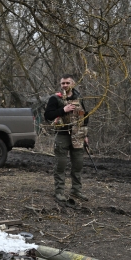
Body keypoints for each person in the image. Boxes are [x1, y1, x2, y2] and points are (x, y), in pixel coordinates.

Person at [44, 74, 89, 203]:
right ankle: (59, 192)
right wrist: (63, 110)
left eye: (67, 83)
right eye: (63, 83)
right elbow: (48, 115)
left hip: (78, 135)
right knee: (60, 165)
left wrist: (85, 135)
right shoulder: (55, 99)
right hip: (62, 135)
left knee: (78, 164)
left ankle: (76, 190)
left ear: (73, 84)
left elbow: (85, 116)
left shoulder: (78, 98)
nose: (65, 85)